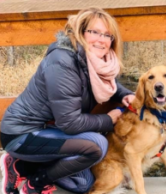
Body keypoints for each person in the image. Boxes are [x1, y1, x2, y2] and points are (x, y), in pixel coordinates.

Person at [0, 7, 135, 194]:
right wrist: (108, 120)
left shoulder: (94, 62)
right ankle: (36, 183)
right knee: (97, 145)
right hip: (23, 133)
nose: (101, 40)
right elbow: (70, 123)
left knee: (82, 185)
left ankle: (21, 166)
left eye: (107, 35)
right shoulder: (63, 61)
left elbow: (108, 84)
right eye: (94, 32)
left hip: (53, 130)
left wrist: (125, 94)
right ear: (80, 33)